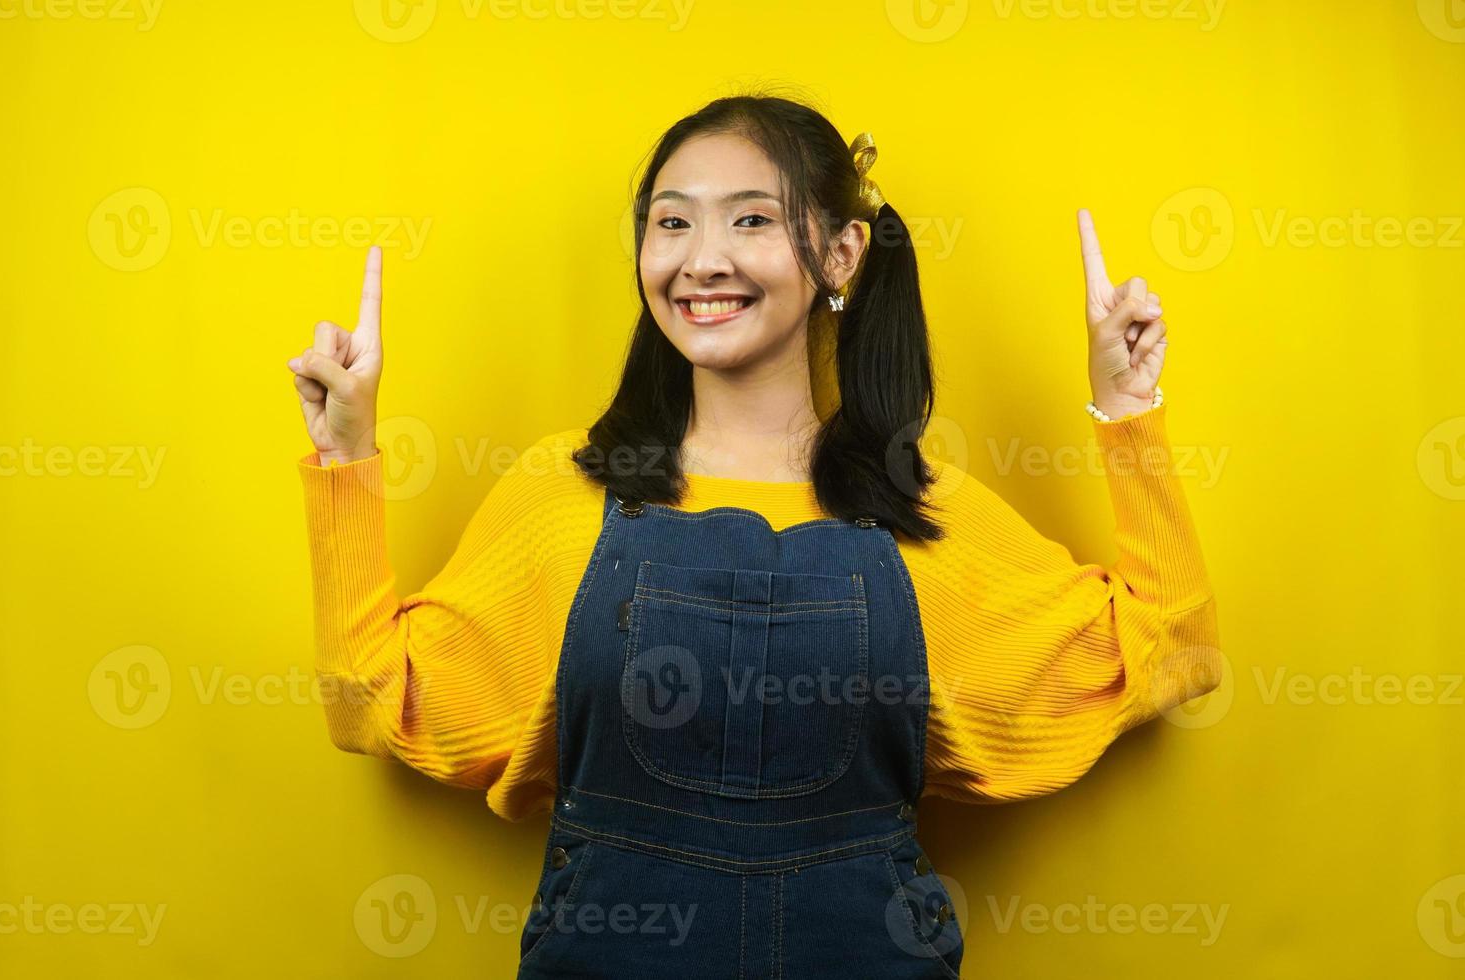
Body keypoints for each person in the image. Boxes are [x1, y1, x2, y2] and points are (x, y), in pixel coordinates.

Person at [286, 94, 1222, 979]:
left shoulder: (921, 512)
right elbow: (370, 695)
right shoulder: (562, 493)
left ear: (843, 253)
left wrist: (1128, 410)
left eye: (751, 220)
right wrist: (347, 455)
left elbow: (1171, 644)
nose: (701, 259)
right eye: (672, 221)